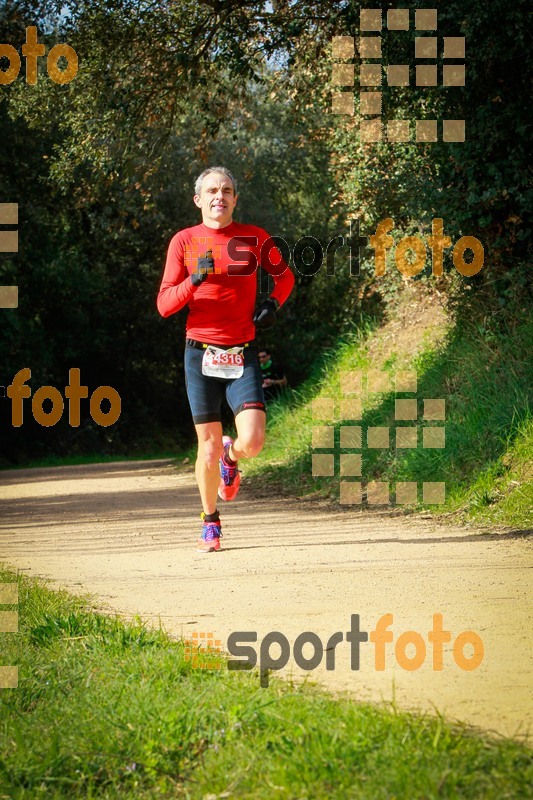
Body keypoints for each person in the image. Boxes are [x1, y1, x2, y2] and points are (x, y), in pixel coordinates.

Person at [157, 167, 294, 552]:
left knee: (251, 440)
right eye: (212, 190)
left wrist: (272, 304)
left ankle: (232, 460)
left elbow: (284, 278)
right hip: (199, 355)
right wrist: (194, 279)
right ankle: (210, 523)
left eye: (227, 191)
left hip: (241, 352)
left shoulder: (254, 237)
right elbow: (165, 304)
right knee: (207, 447)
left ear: (235, 199)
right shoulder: (184, 242)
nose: (220, 196)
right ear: (198, 199)